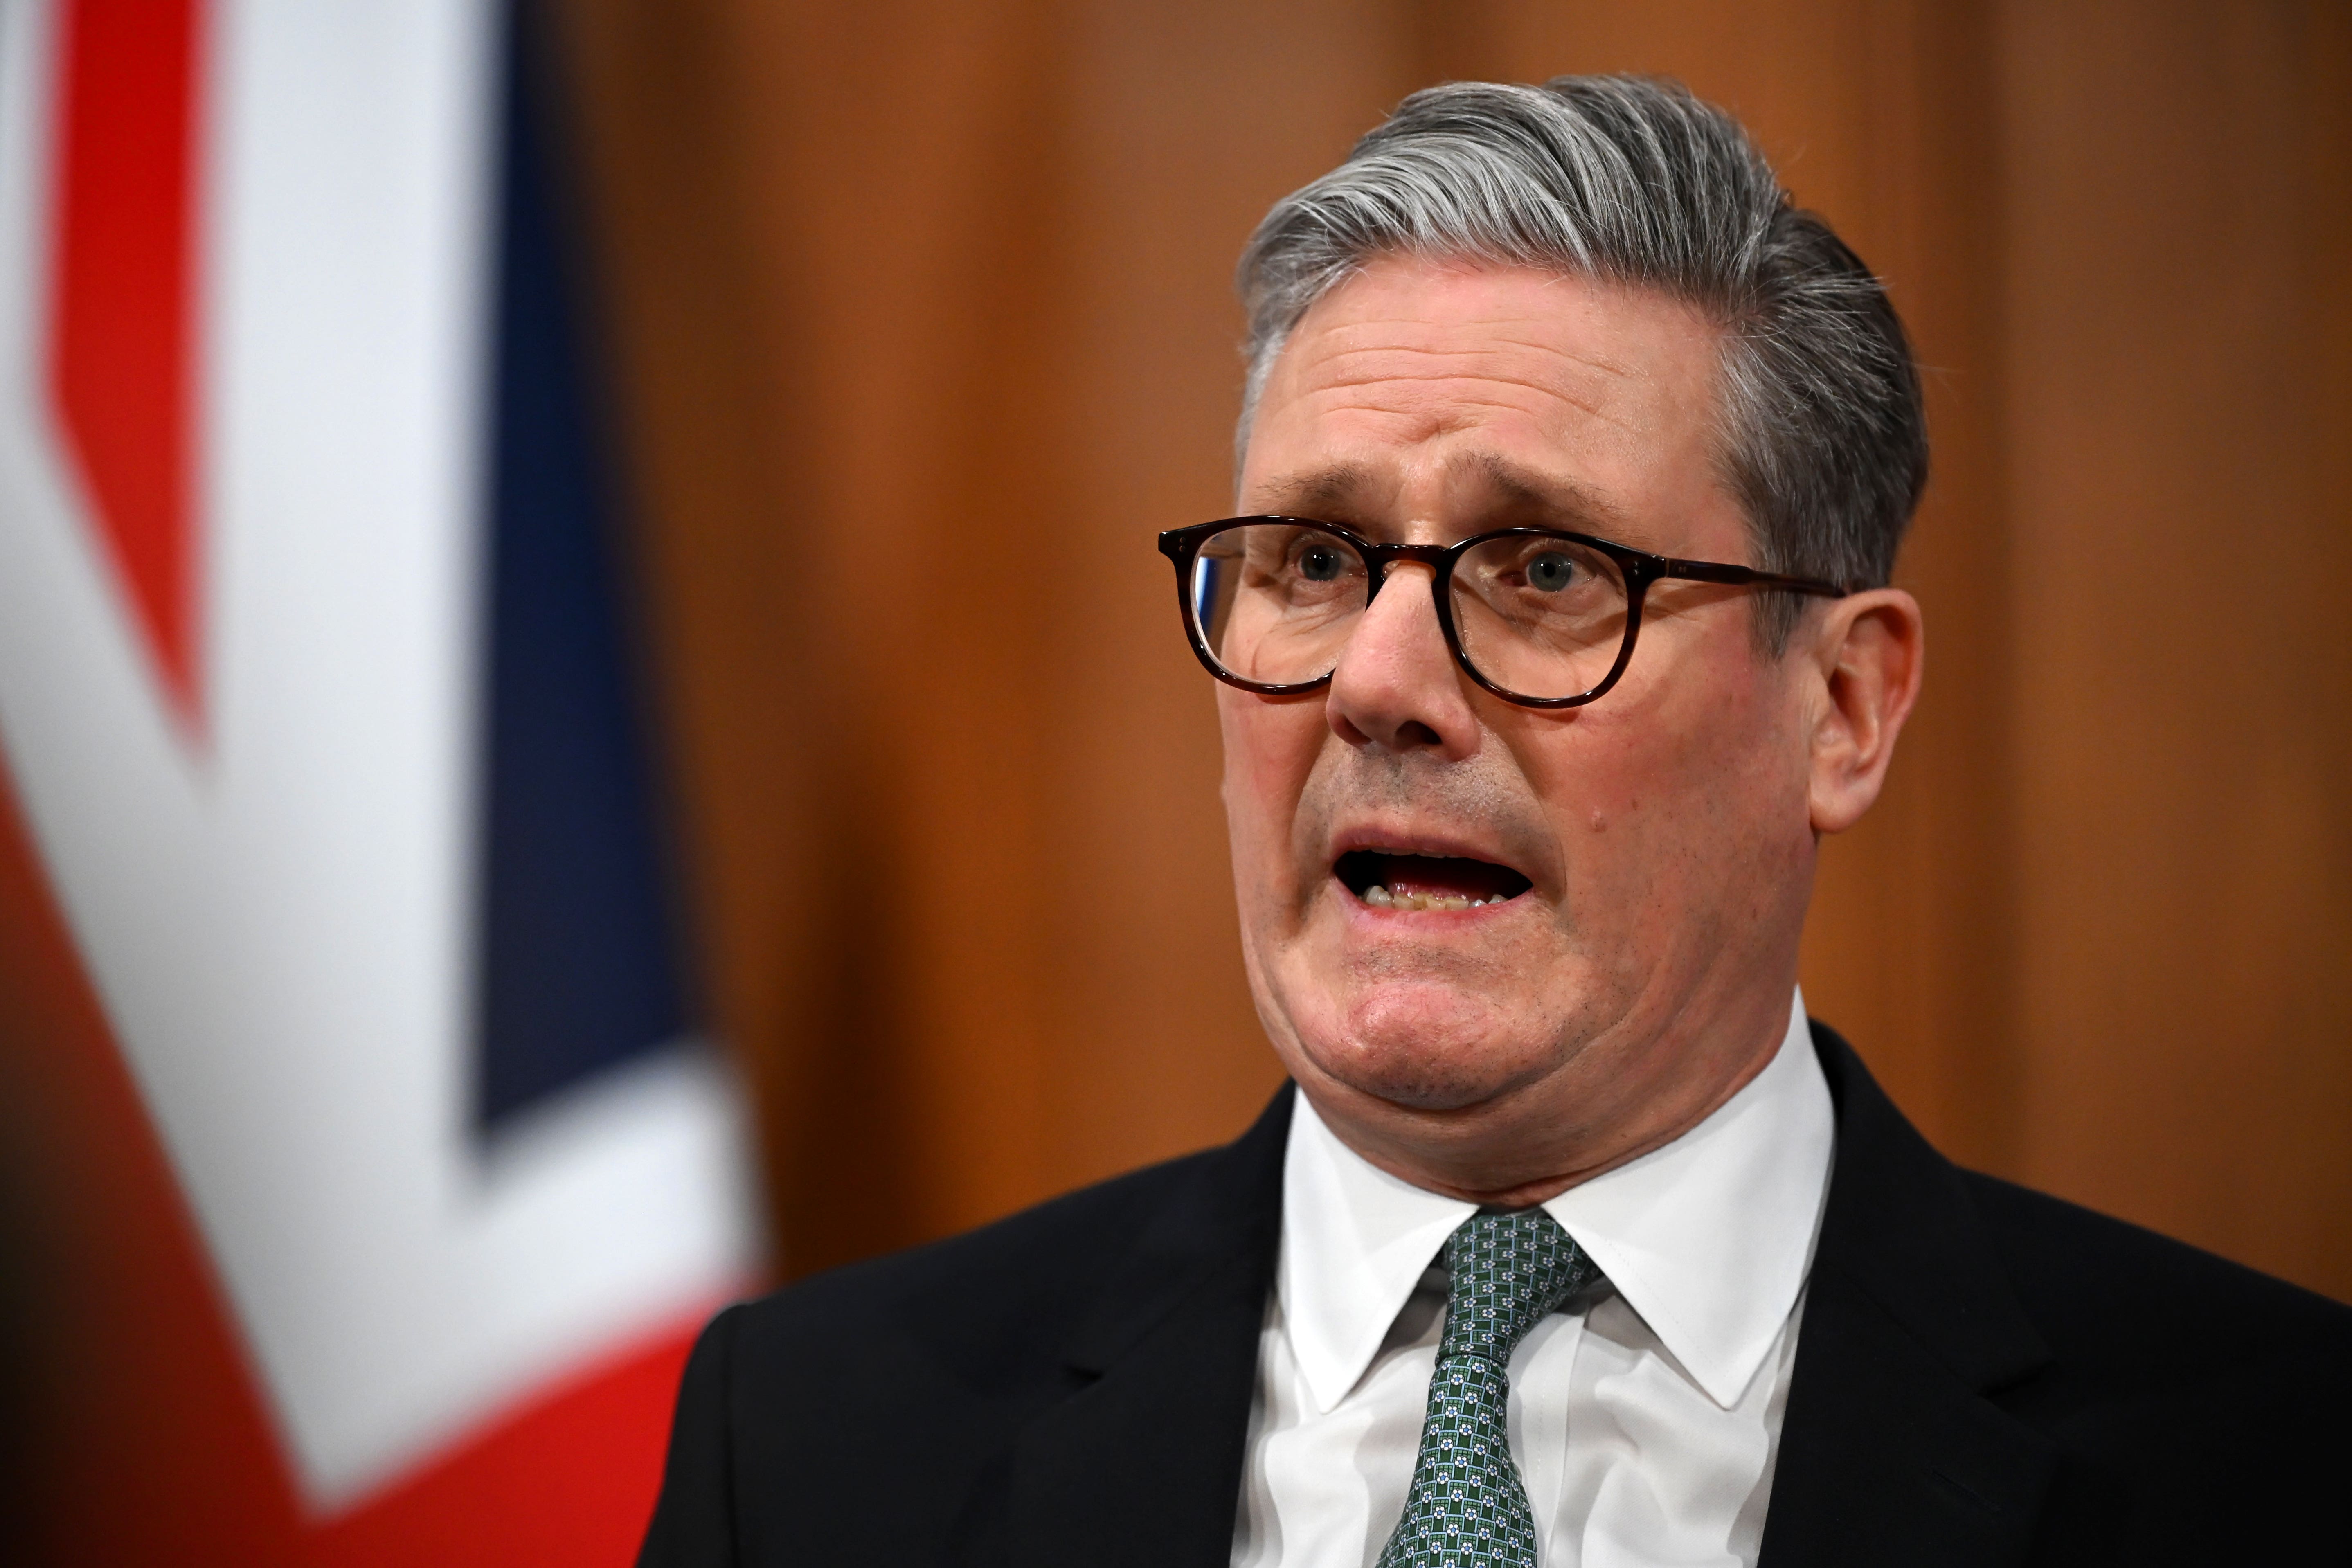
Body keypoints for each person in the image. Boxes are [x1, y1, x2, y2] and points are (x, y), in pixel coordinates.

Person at [637, 76, 2352, 1567]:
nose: (1380, 680)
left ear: (1841, 707)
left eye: (1547, 571)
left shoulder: (2278, 1465)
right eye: (1314, 560)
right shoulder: (806, 1447)